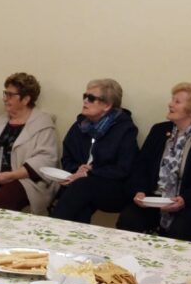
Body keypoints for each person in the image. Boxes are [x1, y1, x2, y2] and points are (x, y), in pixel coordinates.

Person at [116, 83, 191, 242]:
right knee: (129, 218)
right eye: (172, 100)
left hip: (187, 203)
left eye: (177, 101)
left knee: (182, 228)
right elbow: (141, 166)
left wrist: (185, 199)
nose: (170, 104)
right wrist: (139, 191)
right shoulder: (159, 130)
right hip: (153, 199)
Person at [0, 72, 59, 214]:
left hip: (24, 180)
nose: (5, 99)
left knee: (2, 200)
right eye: (5, 93)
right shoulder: (1, 121)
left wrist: (12, 175)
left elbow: (45, 158)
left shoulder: (42, 123)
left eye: (10, 95)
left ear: (26, 99)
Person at [50, 78, 139, 224]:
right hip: (80, 185)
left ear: (107, 105)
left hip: (114, 188)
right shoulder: (80, 125)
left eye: (91, 98)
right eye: (84, 96)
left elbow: (123, 169)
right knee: (80, 203)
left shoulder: (125, 129)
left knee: (81, 186)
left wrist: (89, 172)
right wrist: (77, 170)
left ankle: (52, 228)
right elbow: (67, 158)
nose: (85, 101)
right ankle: (72, 236)